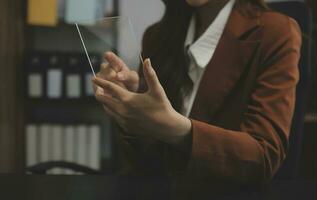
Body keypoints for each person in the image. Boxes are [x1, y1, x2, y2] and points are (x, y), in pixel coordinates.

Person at [92, 0, 302, 184]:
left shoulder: (276, 32)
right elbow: (146, 164)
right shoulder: (157, 37)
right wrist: (134, 105)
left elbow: (263, 157)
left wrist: (176, 128)